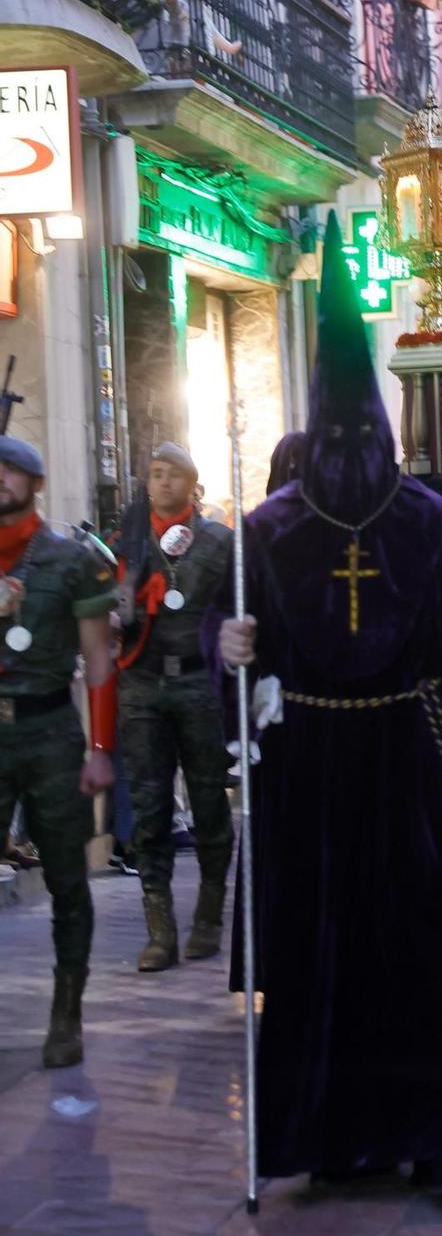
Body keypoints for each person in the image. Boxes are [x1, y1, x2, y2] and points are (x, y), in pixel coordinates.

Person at [217, 216, 442, 1208]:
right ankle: (330, 1135)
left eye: (367, 433)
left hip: (417, 752)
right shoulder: (266, 533)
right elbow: (231, 647)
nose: (354, 449)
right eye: (337, 434)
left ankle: (439, 1137)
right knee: (321, 950)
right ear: (314, 434)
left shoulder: (430, 520)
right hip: (313, 762)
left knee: (429, 954)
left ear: (385, 430)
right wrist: (229, 650)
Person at [0, 436, 117, 1067]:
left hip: (49, 731)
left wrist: (101, 749)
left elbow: (99, 662)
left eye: (12, 469)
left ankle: (67, 1012)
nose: (0, 478)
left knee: (68, 880)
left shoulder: (70, 560)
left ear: (37, 483)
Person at [116, 442, 235, 970]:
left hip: (199, 685)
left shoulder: (220, 542)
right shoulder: (128, 543)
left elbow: (240, 608)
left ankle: (208, 917)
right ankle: (158, 930)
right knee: (150, 808)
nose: (162, 483)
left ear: (192, 483)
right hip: (142, 688)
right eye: (155, 474)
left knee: (210, 803)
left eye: (173, 475)